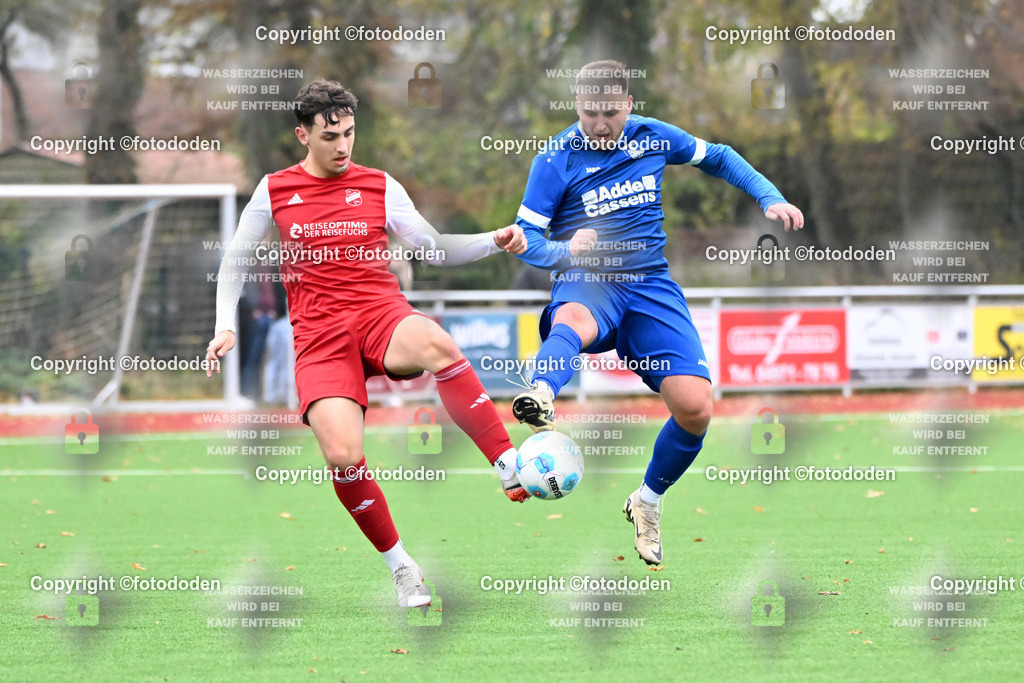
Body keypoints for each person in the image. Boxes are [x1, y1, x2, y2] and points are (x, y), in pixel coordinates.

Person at [206, 79, 530, 608]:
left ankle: (505, 461)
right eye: (331, 135)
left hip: (380, 313)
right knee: (342, 455)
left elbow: (432, 247)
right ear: (302, 135)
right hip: (318, 338)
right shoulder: (274, 190)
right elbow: (236, 261)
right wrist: (226, 325)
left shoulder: (379, 185)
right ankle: (402, 567)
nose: (343, 145)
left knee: (437, 344)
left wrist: (491, 241)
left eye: (350, 133)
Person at [510, 60, 804, 565]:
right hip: (591, 277)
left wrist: (768, 195)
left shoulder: (653, 137)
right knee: (572, 321)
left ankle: (647, 502)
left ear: (628, 104)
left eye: (609, 113)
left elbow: (719, 157)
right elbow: (524, 240)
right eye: (588, 113)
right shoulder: (555, 159)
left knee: (696, 408)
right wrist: (564, 249)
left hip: (649, 283)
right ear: (575, 106)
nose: (599, 124)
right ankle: (541, 392)